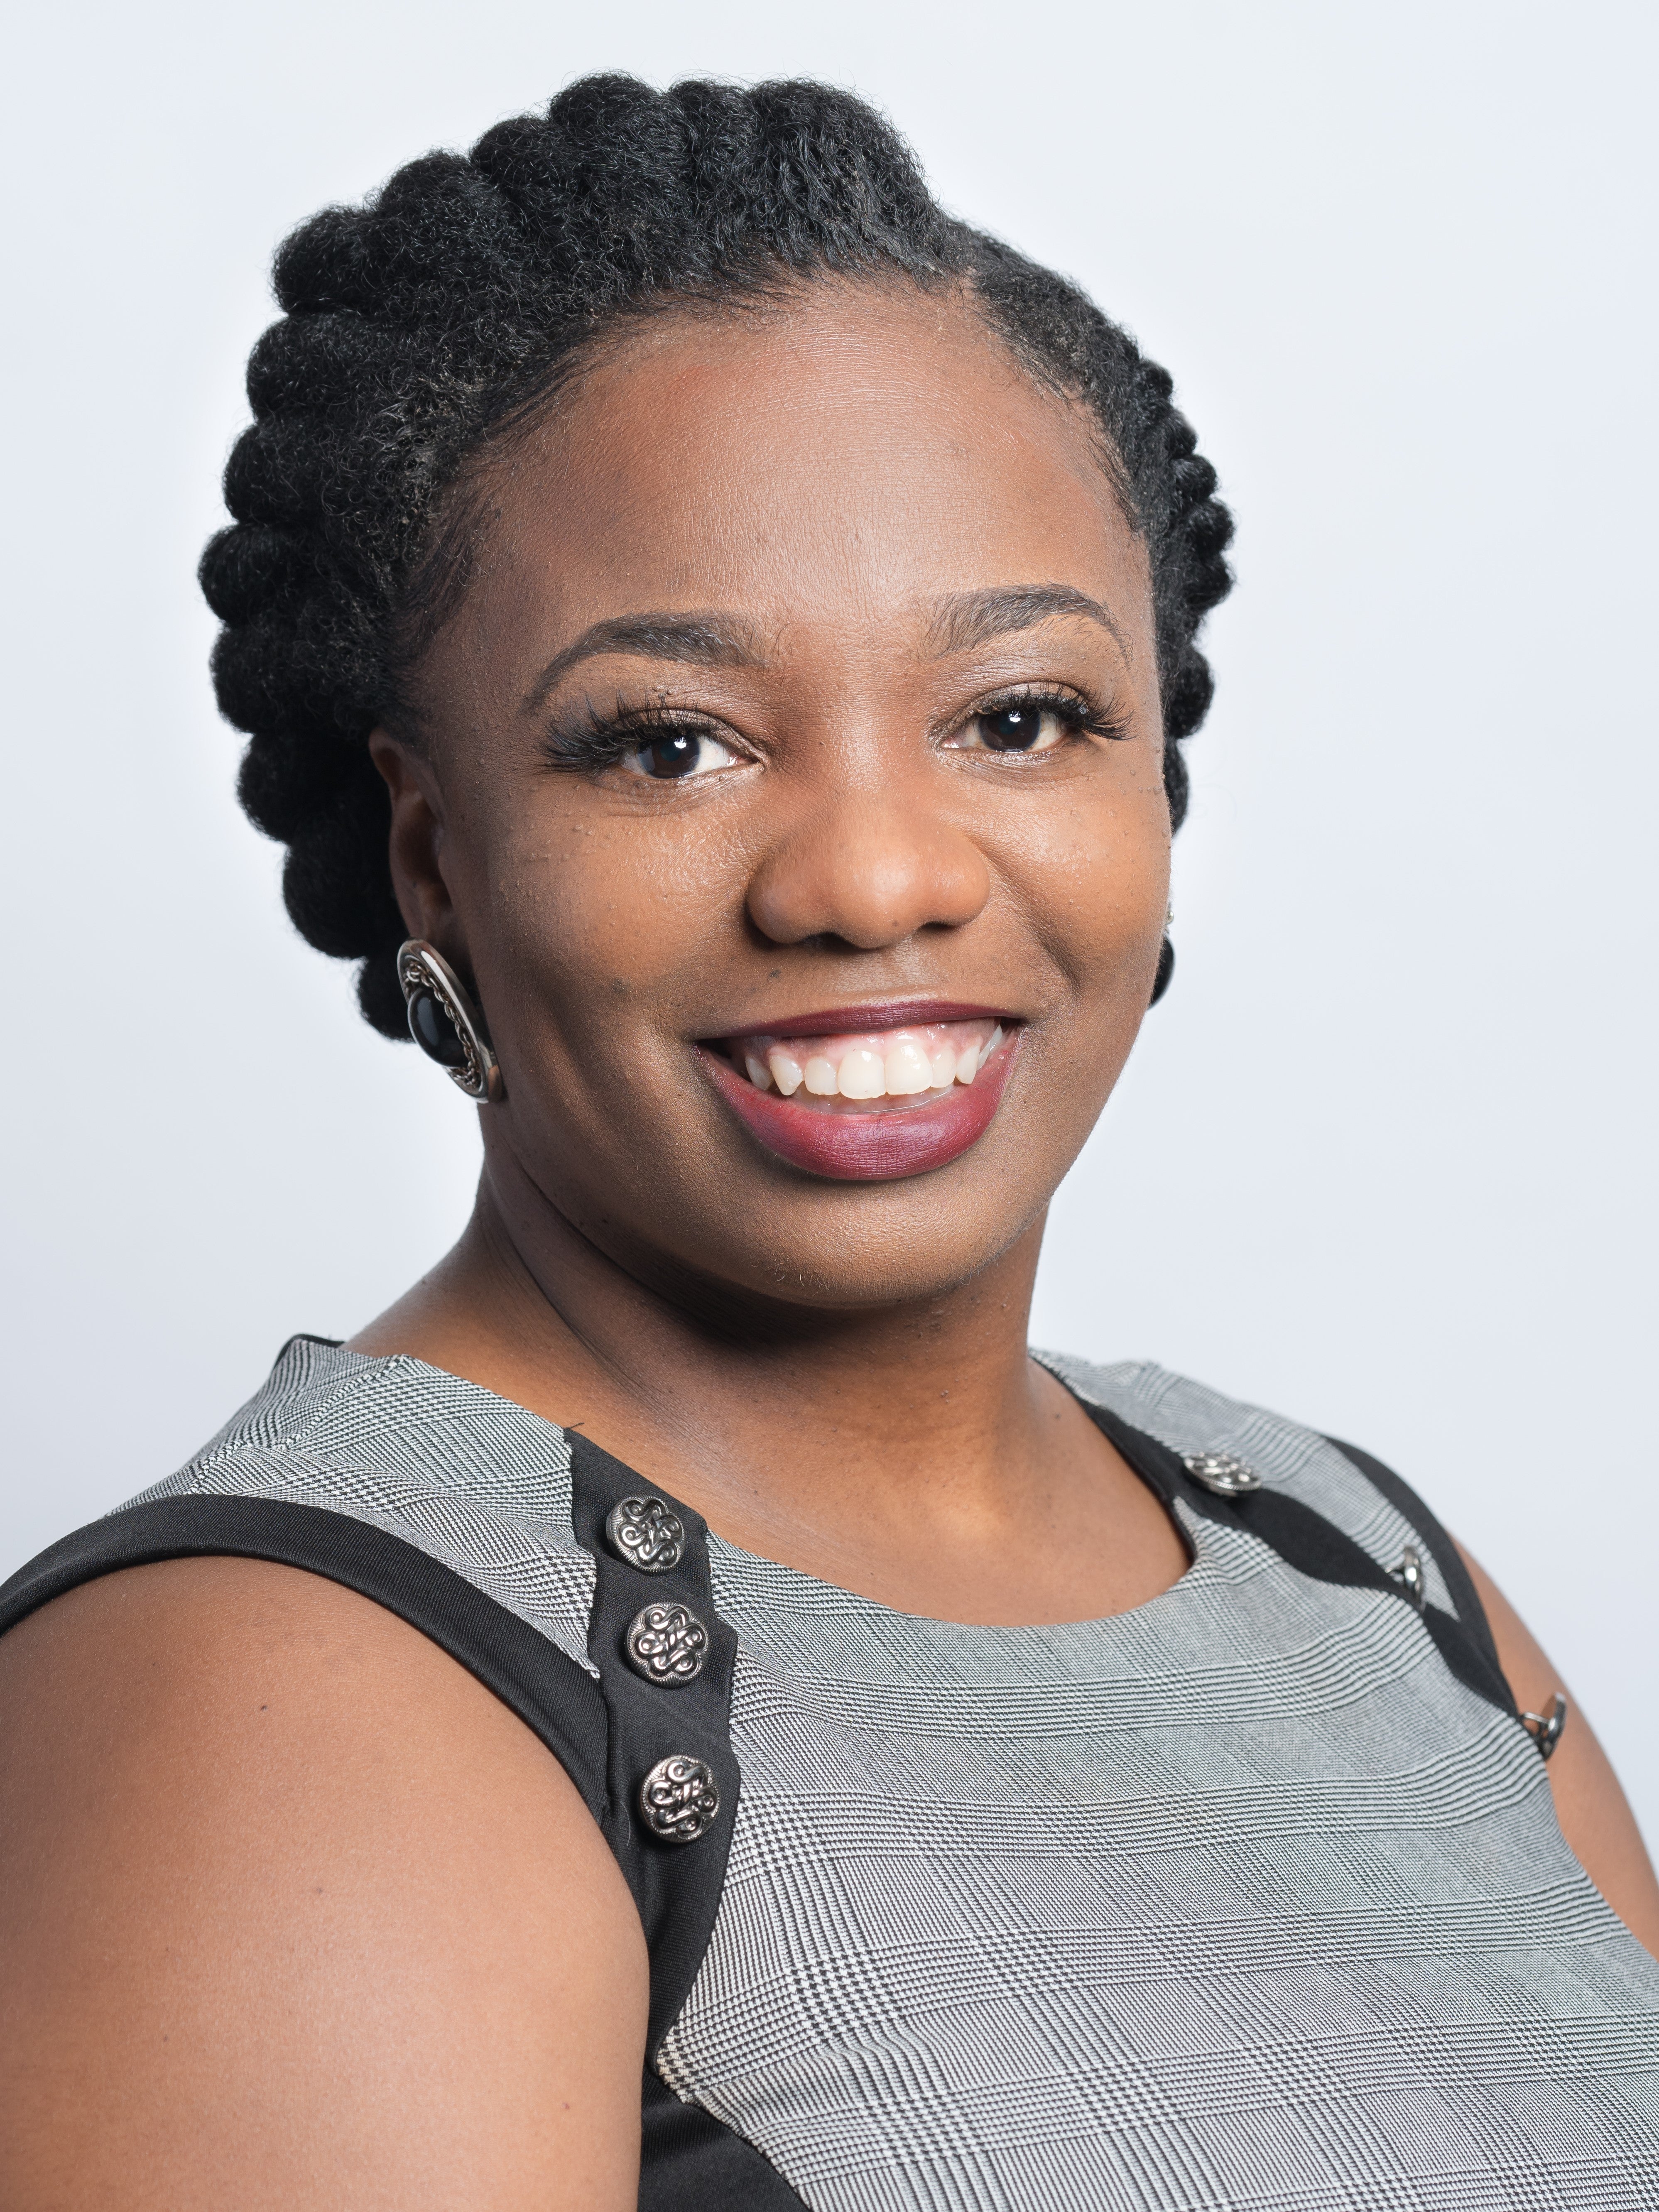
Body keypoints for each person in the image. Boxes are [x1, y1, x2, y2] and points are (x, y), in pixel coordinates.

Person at [1, 72, 1655, 2212]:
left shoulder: (1354, 1562)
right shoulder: (288, 1696)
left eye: (1022, 719)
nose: (875, 878)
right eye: (671, 744)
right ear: (433, 859)